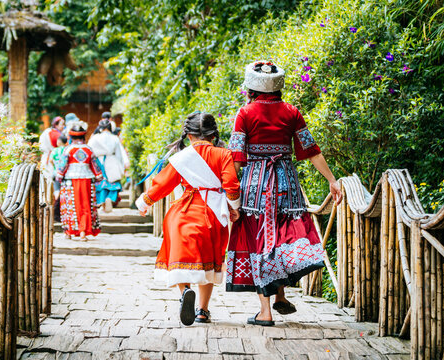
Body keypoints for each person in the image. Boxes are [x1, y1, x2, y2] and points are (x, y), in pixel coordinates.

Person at [225, 61, 342, 326]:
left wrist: (231, 195)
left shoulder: (244, 113)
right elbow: (311, 150)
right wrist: (332, 180)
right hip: (286, 184)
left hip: (256, 186)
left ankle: (265, 312)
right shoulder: (292, 112)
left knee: (259, 240)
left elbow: (235, 158)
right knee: (280, 236)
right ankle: (279, 296)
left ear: (251, 87)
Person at [136, 112, 241, 326]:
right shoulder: (223, 154)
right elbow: (231, 185)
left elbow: (163, 184)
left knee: (179, 258)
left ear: (189, 135)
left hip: (183, 213)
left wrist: (144, 202)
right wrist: (234, 208)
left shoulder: (181, 158)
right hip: (212, 214)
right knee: (208, 263)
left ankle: (185, 293)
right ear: (213, 134)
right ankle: (202, 311)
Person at [56, 123, 102, 240]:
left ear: (71, 137)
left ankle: (69, 231)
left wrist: (59, 176)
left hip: (70, 181)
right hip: (87, 180)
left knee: (70, 204)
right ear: (83, 136)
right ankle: (83, 232)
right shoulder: (89, 149)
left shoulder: (68, 149)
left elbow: (62, 166)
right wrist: (99, 176)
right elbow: (95, 166)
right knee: (86, 205)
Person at [88, 119, 125, 213]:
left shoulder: (95, 138)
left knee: (101, 185)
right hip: (111, 160)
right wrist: (121, 167)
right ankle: (110, 198)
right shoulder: (115, 138)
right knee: (113, 183)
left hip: (98, 161)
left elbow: (89, 151)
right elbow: (119, 154)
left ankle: (102, 202)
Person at [49, 134, 68, 221]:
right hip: (65, 175)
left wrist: (55, 167)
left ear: (59, 141)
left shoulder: (55, 150)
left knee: (57, 192)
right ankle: (64, 212)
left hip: (56, 173)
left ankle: (56, 210)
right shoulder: (67, 150)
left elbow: (51, 161)